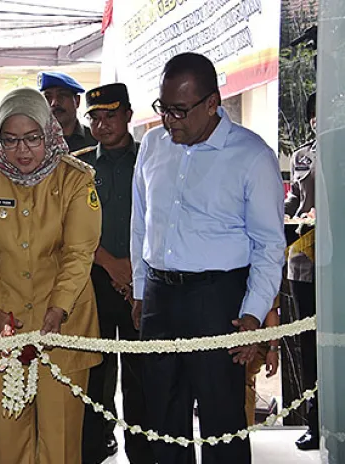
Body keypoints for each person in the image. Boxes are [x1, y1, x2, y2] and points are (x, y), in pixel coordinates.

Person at [130, 53, 285, 464]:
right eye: (164, 108)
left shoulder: (251, 156)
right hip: (160, 299)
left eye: (181, 110)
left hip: (219, 302)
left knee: (222, 421)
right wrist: (141, 292)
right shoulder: (151, 146)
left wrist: (253, 314)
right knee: (161, 417)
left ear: (213, 103)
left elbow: (269, 244)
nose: (170, 121)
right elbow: (140, 225)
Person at [0, 87, 102, 464]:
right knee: (6, 444)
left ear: (49, 131)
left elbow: (78, 253)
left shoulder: (76, 179)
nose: (21, 151)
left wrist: (57, 311)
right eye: (9, 140)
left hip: (64, 327)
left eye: (32, 139)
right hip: (1, 327)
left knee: (60, 444)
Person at [75, 84, 154, 464]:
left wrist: (135, 273)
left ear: (128, 114)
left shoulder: (152, 158)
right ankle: (95, 449)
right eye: (95, 117)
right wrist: (110, 263)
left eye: (110, 115)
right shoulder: (79, 166)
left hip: (145, 285)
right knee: (95, 374)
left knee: (142, 376)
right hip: (94, 284)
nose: (102, 124)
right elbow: (69, 228)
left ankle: (142, 452)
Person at [284, 91, 319, 451]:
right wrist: (286, 210)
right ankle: (316, 421)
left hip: (336, 261)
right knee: (308, 344)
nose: (316, 119)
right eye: (312, 113)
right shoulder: (302, 155)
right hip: (304, 261)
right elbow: (296, 197)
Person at [38, 71, 97, 152]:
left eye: (62, 95)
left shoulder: (95, 139)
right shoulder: (36, 141)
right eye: (47, 97)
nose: (54, 103)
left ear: (77, 101)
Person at [244, 303, 280, 426]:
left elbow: (271, 310)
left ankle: (243, 435)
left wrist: (273, 349)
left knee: (244, 386)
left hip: (252, 344)